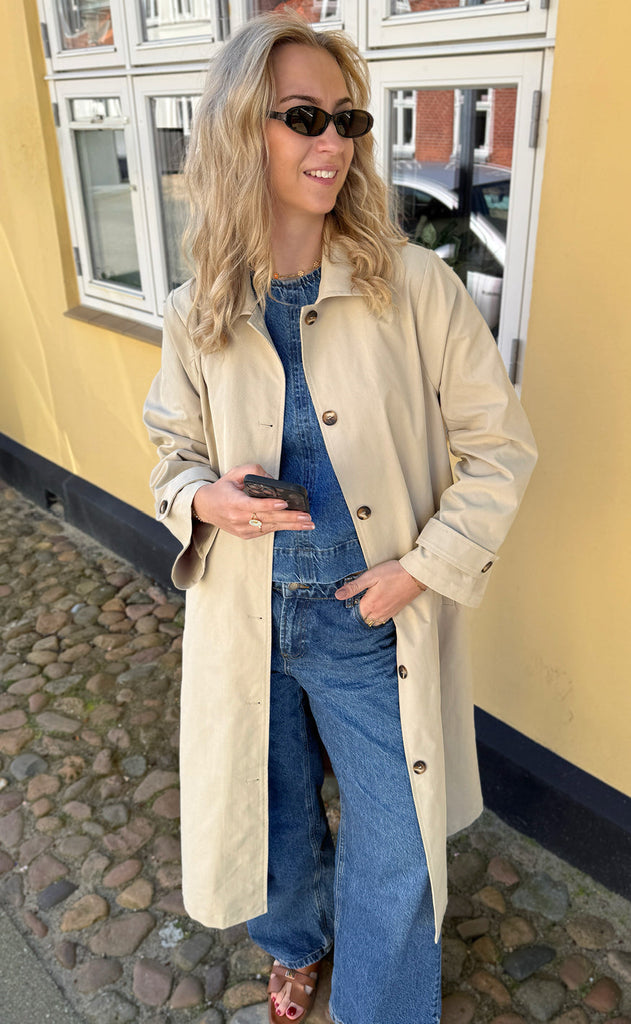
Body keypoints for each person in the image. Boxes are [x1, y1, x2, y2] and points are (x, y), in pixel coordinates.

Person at [143, 11, 537, 1024]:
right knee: (272, 814)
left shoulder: (413, 288)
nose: (334, 142)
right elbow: (169, 452)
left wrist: (422, 568)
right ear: (242, 129)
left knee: (396, 845)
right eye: (304, 117)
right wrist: (203, 497)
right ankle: (294, 942)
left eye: (348, 119)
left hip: (367, 614)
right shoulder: (198, 307)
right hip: (246, 613)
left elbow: (501, 449)